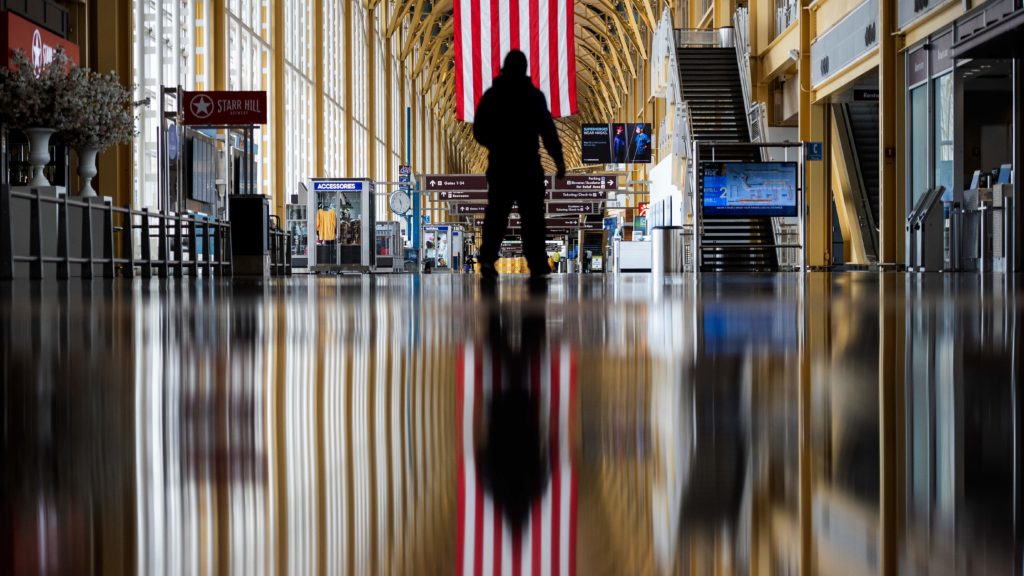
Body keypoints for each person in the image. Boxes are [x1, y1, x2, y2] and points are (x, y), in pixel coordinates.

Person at [473, 50, 566, 281]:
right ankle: (536, 261)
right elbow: (548, 131)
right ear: (525, 70)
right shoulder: (534, 96)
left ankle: (487, 259)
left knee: (496, 213)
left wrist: (496, 144)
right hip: (528, 165)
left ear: (504, 67)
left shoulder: (492, 96)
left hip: (501, 165)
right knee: (532, 216)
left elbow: (479, 131)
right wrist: (558, 159)